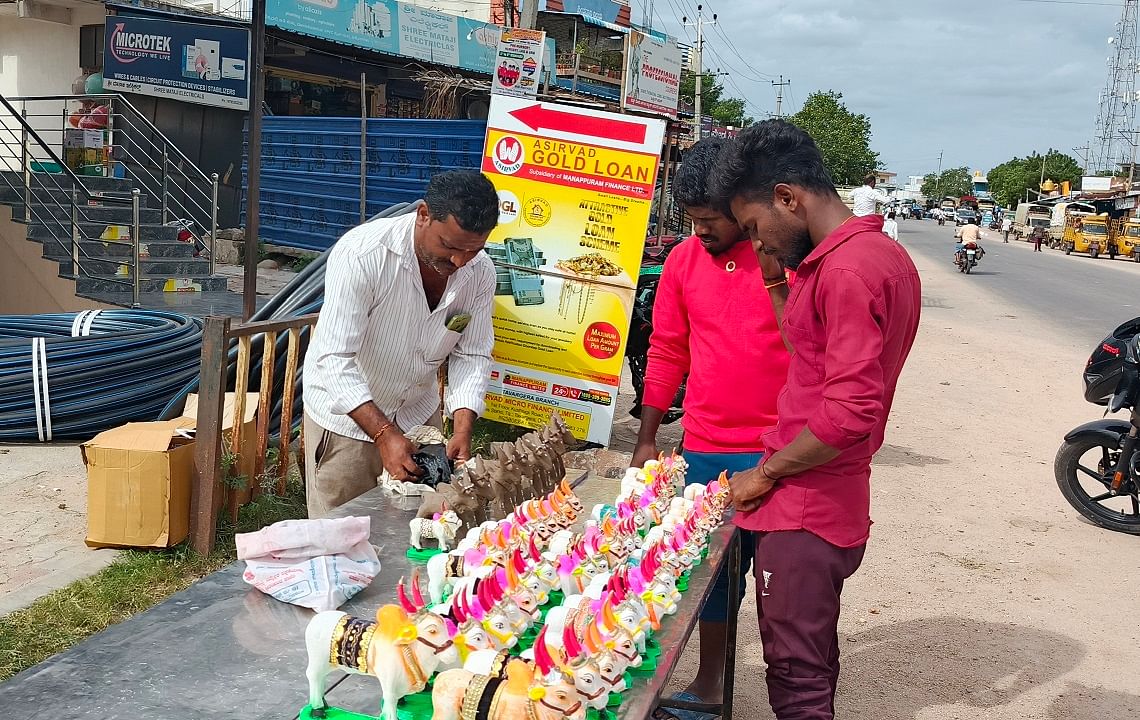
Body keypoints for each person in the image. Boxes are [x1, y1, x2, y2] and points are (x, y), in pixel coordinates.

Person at [709, 120, 921, 720]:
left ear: (787, 197)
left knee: (796, 673)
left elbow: (849, 412)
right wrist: (775, 280)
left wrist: (765, 474)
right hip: (828, 496)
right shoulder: (871, 257)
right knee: (808, 655)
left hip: (808, 506)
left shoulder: (849, 272)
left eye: (755, 227)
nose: (759, 243)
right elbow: (812, 356)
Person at [633, 138, 791, 716]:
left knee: (780, 584)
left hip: (780, 452)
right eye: (692, 220)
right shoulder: (681, 261)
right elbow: (668, 348)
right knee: (709, 582)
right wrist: (649, 436)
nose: (700, 232)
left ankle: (791, 694)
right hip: (704, 448)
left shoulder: (781, 257)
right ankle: (710, 686)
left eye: (712, 220)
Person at [301, 171, 500, 518]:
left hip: (418, 415)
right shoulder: (363, 254)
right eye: (450, 246)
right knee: (340, 537)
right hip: (347, 421)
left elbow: (472, 353)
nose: (459, 262)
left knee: (418, 532)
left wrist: (463, 426)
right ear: (423, 215)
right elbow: (334, 358)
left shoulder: (480, 273)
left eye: (473, 250)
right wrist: (383, 433)